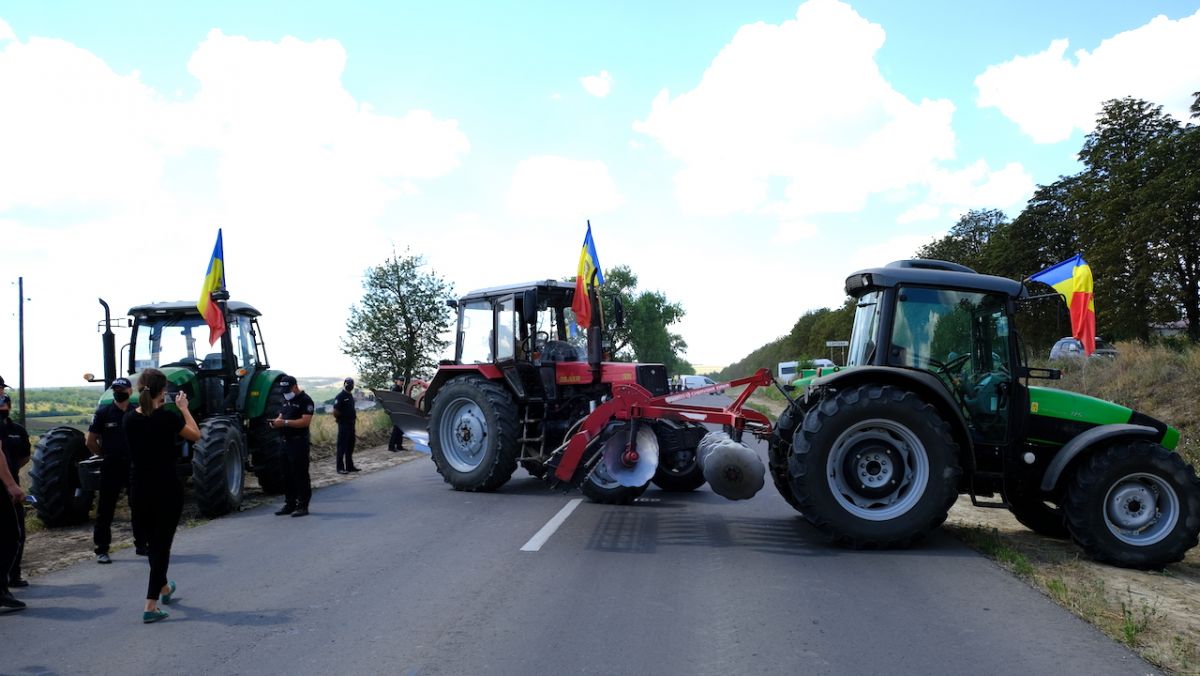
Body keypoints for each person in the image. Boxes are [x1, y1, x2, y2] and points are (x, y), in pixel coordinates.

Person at [124, 368, 200, 624]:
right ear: (163, 392)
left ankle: (165, 588)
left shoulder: (128, 420)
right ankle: (150, 605)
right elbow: (196, 435)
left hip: (139, 488)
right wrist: (184, 408)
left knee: (152, 546)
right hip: (166, 487)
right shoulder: (168, 418)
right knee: (161, 547)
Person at [87, 377, 148, 563]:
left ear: (130, 392)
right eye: (115, 389)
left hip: (133, 466)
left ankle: (142, 545)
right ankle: (102, 550)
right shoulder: (103, 413)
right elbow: (90, 441)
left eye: (121, 389)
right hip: (111, 466)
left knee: (138, 506)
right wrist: (104, 455)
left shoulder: (138, 412)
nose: (118, 392)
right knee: (105, 509)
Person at [271, 375, 314, 517]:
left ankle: (303, 505)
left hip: (299, 442)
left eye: (287, 389)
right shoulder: (286, 400)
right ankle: (290, 503)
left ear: (295, 387)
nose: (285, 393)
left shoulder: (306, 401)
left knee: (300, 473)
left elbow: (305, 421)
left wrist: (285, 423)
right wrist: (275, 422)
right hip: (285, 441)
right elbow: (281, 416)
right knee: (286, 474)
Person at [0, 395, 30, 589]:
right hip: (6, 484)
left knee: (16, 532)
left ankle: (14, 576)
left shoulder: (17, 430)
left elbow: (25, 457)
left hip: (12, 483)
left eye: (5, 401)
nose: (2, 404)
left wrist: (11, 477)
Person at [332, 377, 359, 474]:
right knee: (341, 447)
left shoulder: (350, 395)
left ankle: (349, 466)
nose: (350, 386)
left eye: (351, 384)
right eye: (348, 384)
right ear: (344, 384)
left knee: (350, 446)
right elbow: (335, 411)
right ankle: (340, 468)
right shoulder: (340, 396)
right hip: (344, 424)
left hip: (351, 424)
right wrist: (341, 419)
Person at [388, 374, 406, 452]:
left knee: (400, 428)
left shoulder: (400, 388)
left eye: (402, 381)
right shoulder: (394, 388)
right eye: (400, 381)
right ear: (397, 381)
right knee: (396, 429)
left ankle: (399, 445)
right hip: (394, 410)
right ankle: (391, 447)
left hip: (399, 410)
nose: (402, 382)